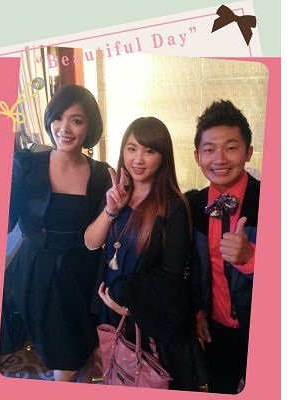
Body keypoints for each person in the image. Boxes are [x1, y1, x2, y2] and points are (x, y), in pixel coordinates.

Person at [84, 117, 207, 391]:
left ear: (163, 157)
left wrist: (128, 306)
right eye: (131, 149)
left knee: (146, 378)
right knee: (118, 372)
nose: (138, 159)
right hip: (111, 307)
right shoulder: (118, 194)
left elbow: (171, 274)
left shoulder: (173, 206)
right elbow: (91, 243)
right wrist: (111, 210)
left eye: (149, 151)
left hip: (145, 315)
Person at [6, 84, 112, 381]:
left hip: (83, 275)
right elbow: (6, 223)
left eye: (76, 120)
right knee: (60, 353)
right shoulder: (26, 165)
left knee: (80, 346)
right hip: (38, 273)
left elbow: (100, 235)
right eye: (58, 118)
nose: (64, 128)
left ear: (89, 127)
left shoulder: (101, 174)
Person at [190, 100, 260, 393]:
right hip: (215, 329)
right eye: (209, 150)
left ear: (248, 152)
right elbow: (190, 267)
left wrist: (251, 258)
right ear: (197, 156)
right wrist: (199, 313)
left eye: (231, 148)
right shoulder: (191, 205)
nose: (219, 159)